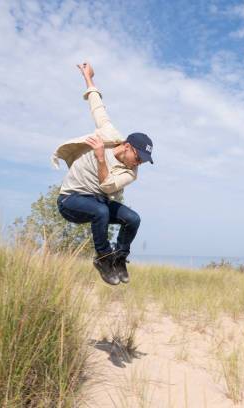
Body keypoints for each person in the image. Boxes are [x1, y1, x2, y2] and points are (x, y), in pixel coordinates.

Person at [50, 62, 154, 285]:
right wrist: (88, 78)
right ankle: (103, 258)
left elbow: (107, 187)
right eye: (139, 158)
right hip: (71, 200)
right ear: (126, 146)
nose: (140, 164)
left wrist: (99, 158)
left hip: (99, 199)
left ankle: (119, 259)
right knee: (100, 211)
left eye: (144, 162)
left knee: (133, 219)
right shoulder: (109, 134)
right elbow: (98, 108)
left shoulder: (131, 173)